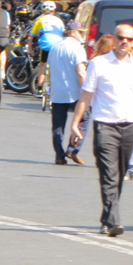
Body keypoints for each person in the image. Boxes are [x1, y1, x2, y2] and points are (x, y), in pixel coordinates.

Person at [69, 24, 133, 237]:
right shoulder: (99, 63)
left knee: (120, 174)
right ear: (113, 39)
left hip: (130, 126)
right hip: (105, 125)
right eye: (121, 37)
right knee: (109, 173)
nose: (125, 41)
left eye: (130, 39)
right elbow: (86, 96)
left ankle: (107, 217)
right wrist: (75, 123)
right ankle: (114, 221)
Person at [48, 20, 90, 165]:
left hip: (58, 92)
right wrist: (86, 91)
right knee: (83, 119)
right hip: (75, 92)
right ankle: (72, 149)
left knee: (58, 125)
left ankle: (59, 155)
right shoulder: (77, 48)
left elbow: (50, 70)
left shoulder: (55, 47)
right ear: (73, 32)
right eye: (80, 32)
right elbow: (81, 72)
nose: (82, 35)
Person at [28, 0, 64, 91]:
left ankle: (39, 88)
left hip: (45, 45)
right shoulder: (59, 20)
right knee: (53, 66)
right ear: (54, 11)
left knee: (42, 65)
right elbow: (63, 34)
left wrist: (30, 50)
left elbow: (30, 38)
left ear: (43, 11)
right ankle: (52, 88)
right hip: (57, 46)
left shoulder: (40, 20)